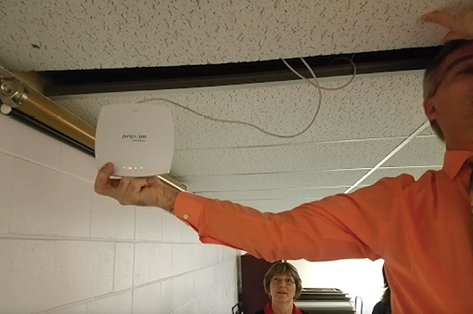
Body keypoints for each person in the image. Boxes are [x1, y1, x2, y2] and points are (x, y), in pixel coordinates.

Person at [94, 8, 473, 313]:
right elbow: (275, 235)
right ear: (432, 107)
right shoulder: (400, 207)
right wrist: (165, 198)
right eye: (466, 71)